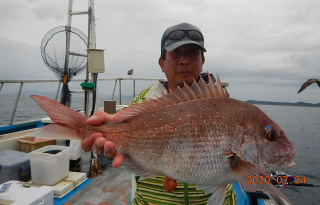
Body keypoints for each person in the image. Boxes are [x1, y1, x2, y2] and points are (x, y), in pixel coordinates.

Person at [81, 23, 236, 204]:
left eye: (193, 53)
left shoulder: (224, 106)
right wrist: (94, 137)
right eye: (175, 53)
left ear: (202, 61)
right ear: (162, 63)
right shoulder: (142, 102)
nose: (184, 60)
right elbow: (113, 130)